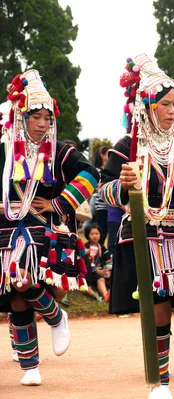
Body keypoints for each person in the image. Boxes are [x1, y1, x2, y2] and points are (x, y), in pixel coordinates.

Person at [99, 54, 174, 399]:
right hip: (144, 234)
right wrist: (123, 184)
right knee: (157, 305)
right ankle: (161, 381)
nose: (173, 110)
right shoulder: (127, 146)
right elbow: (104, 192)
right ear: (148, 106)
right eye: (165, 104)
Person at [0, 70, 99, 385]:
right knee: (17, 296)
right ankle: (30, 367)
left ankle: (56, 317)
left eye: (47, 117)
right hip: (6, 226)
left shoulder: (59, 150)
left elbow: (90, 174)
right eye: (35, 117)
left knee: (20, 275)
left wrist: (59, 204)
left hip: (40, 227)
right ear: (21, 116)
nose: (43, 123)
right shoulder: (4, 147)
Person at [83, 223, 111, 302]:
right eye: (92, 234)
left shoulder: (101, 247)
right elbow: (87, 262)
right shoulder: (86, 247)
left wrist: (108, 270)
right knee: (101, 279)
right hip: (91, 272)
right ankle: (105, 296)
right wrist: (99, 271)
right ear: (87, 235)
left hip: (101, 270)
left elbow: (108, 260)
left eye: (97, 233)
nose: (95, 236)